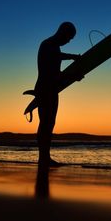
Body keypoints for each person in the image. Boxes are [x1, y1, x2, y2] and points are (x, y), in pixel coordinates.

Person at [34, 22, 81, 166]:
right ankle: (44, 158)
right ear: (63, 33)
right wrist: (73, 73)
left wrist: (73, 63)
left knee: (49, 123)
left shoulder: (52, 46)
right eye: (69, 38)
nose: (69, 41)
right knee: (46, 124)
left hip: (50, 88)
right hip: (45, 88)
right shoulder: (48, 45)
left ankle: (45, 158)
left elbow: (57, 64)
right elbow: (53, 71)